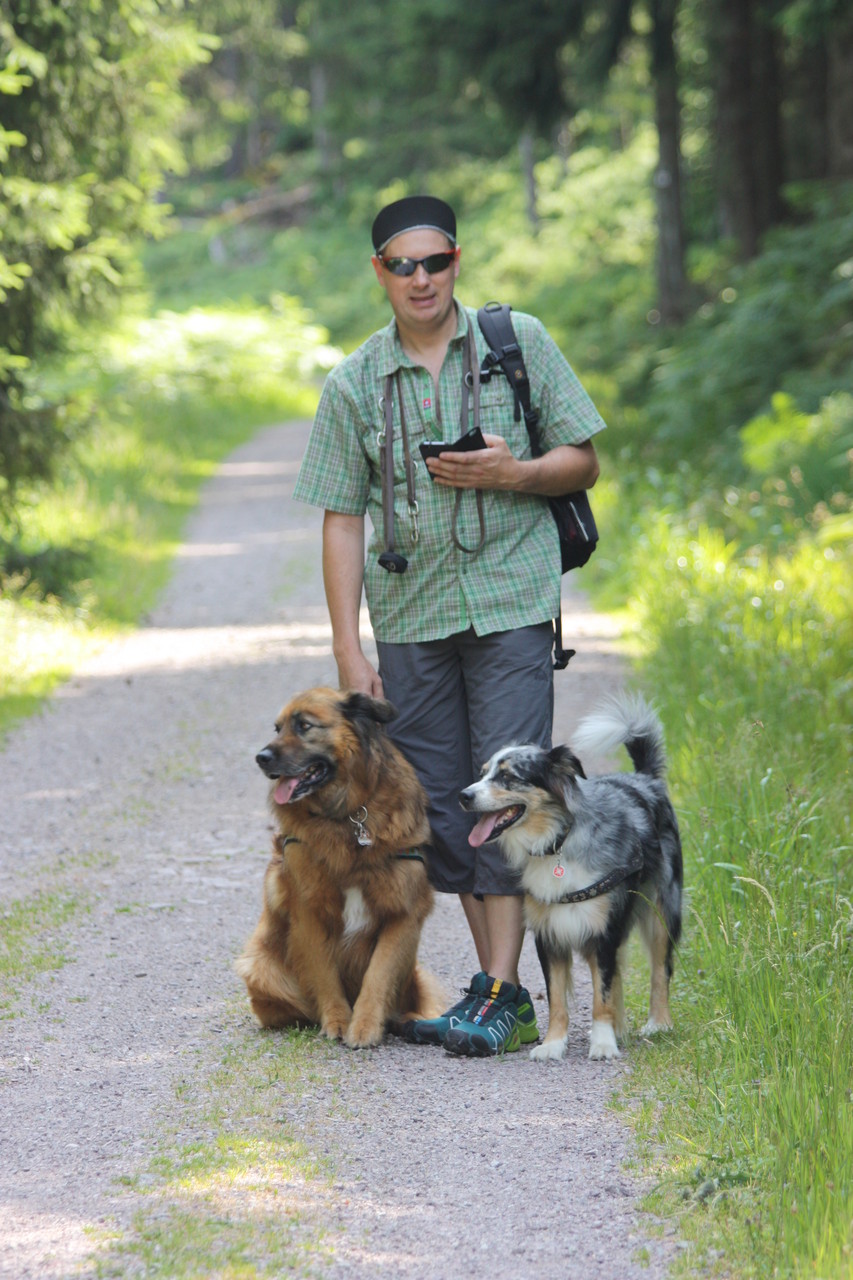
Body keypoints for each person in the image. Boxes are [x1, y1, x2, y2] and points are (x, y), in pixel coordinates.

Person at [293, 195, 605, 1056]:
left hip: (510, 603)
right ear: (380, 273)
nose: (421, 278)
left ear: (456, 262)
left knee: (503, 797)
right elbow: (341, 518)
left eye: (435, 262)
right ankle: (495, 993)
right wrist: (349, 649)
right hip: (412, 618)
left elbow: (582, 457)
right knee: (442, 809)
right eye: (403, 264)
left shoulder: (518, 345)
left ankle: (500, 990)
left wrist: (515, 472)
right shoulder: (355, 383)